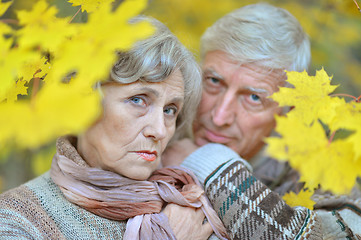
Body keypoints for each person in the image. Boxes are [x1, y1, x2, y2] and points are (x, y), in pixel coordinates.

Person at [0, 16, 229, 240]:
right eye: (138, 100)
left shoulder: (190, 201)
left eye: (169, 110)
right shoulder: (18, 219)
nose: (159, 130)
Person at [162, 3, 361, 239]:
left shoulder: (321, 175)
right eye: (214, 81)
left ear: (288, 111)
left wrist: (209, 163)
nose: (219, 116)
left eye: (254, 97)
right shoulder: (156, 133)